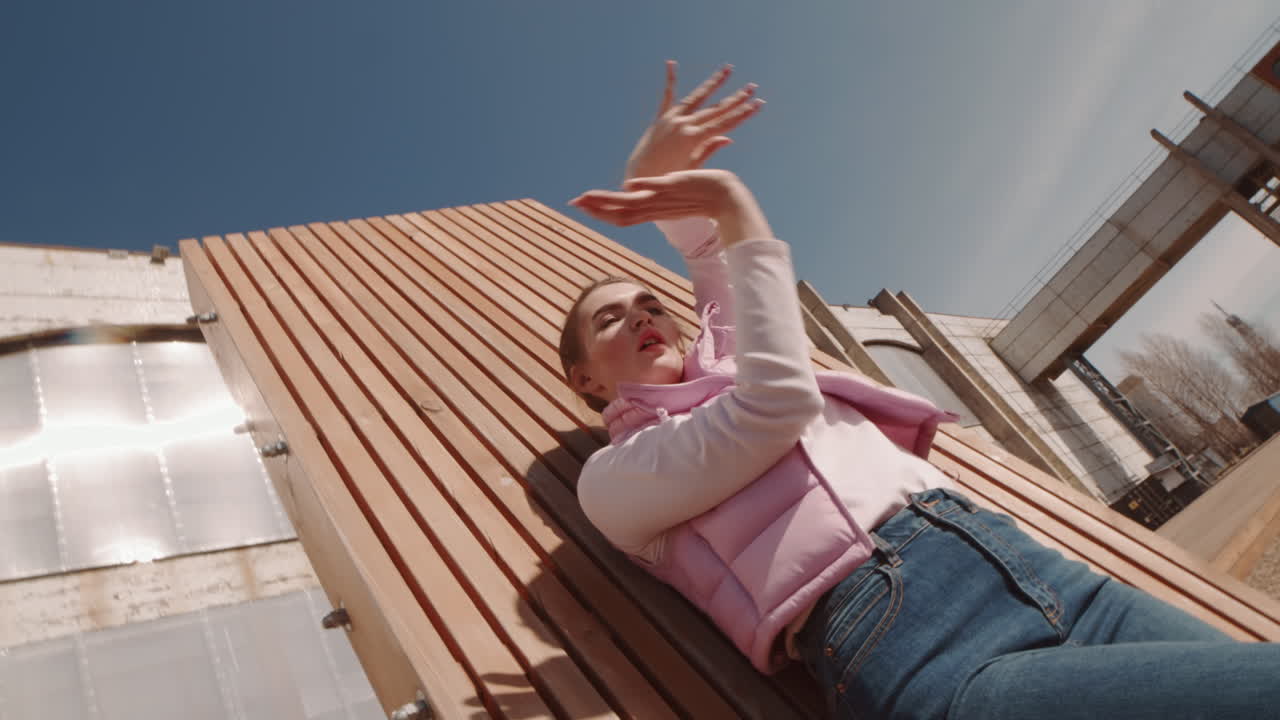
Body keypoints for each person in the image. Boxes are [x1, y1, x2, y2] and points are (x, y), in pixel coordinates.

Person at [562, 61, 1280, 720]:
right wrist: (736, 204)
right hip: (914, 645)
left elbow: (710, 253)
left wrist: (649, 172)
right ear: (585, 378)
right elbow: (773, 408)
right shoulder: (615, 478)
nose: (643, 316)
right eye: (610, 319)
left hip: (1031, 569)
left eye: (651, 304)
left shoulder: (732, 357)